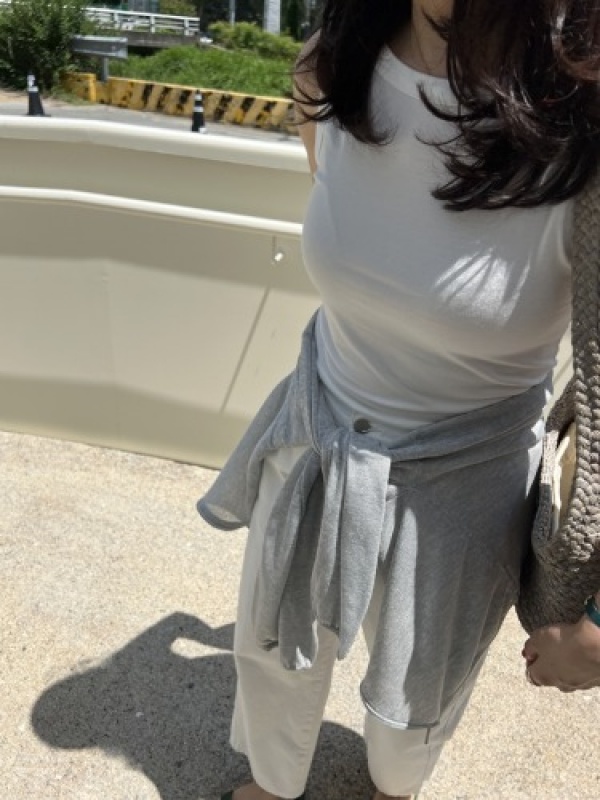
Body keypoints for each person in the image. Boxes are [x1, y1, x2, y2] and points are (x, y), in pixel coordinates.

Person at [198, 2, 600, 798]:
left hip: (467, 480)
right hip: (318, 425)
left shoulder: (580, 120)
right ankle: (271, 781)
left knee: (414, 711)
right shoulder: (332, 67)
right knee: (272, 648)